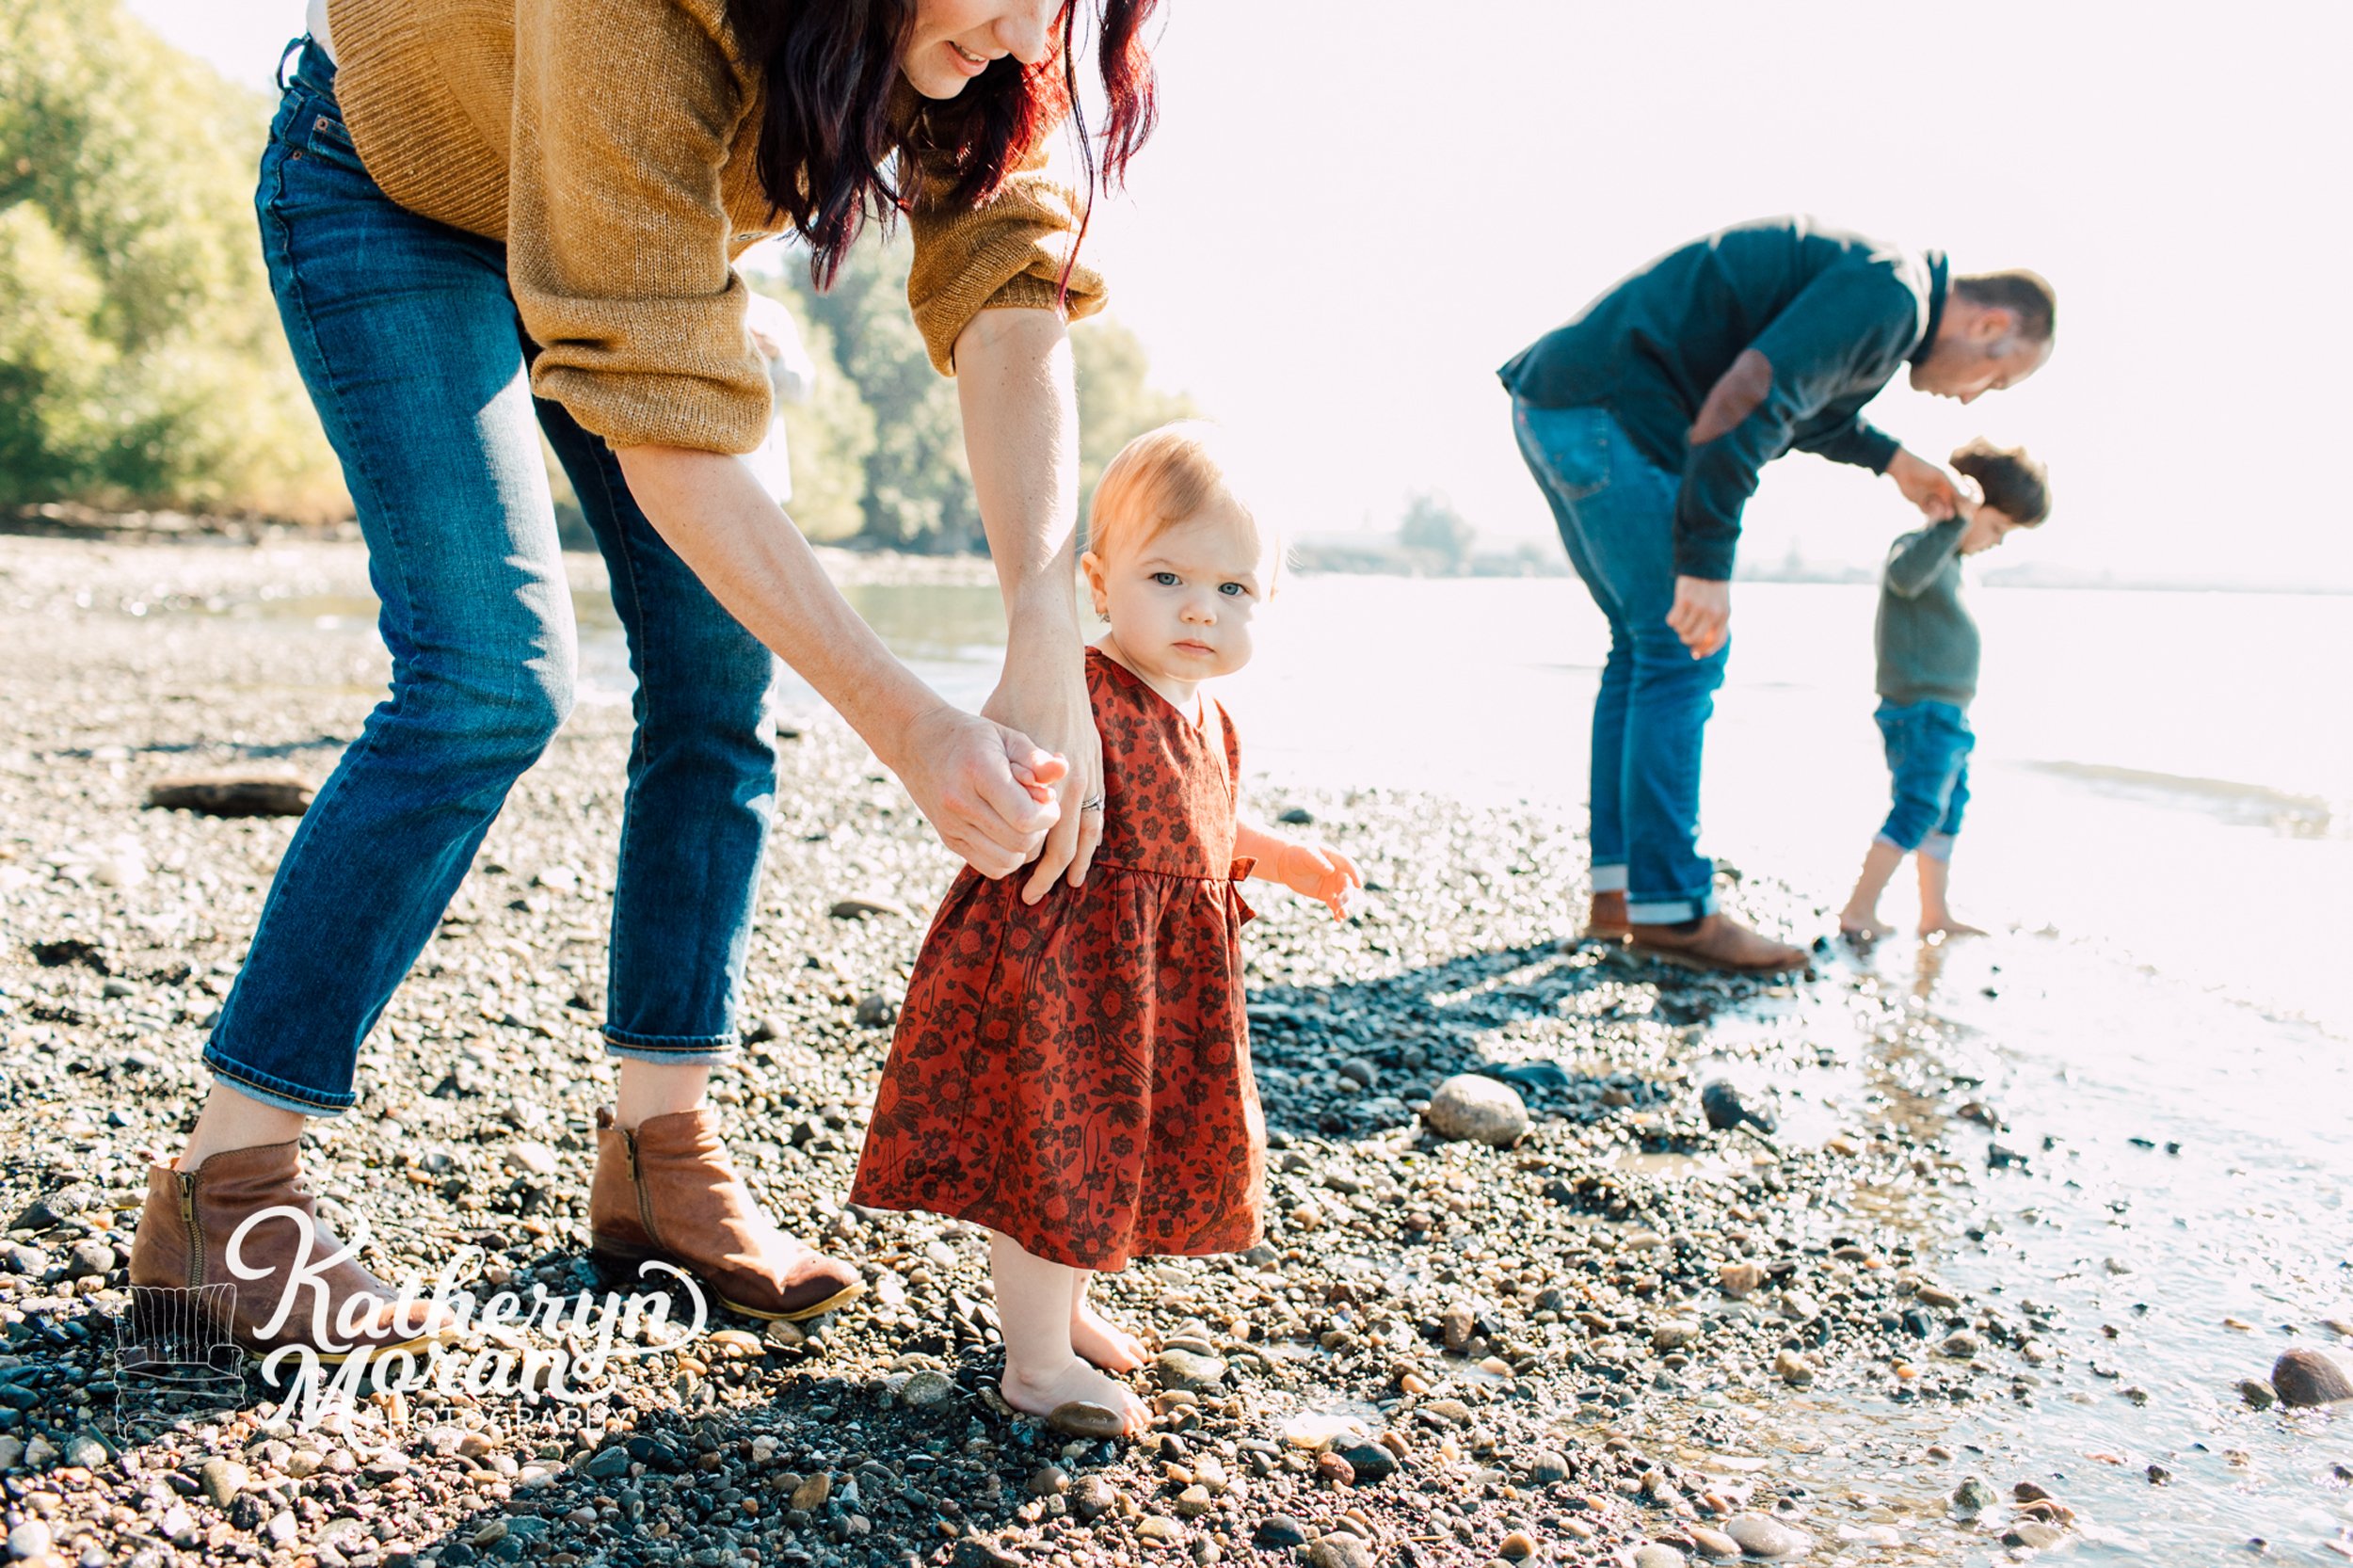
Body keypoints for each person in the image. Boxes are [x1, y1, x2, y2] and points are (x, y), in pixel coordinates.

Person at [128, 0, 1163, 1363]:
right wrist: (911, 727)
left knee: (720, 673)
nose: (1036, 36)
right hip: (396, 191)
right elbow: (651, 383)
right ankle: (226, 1201)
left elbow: (1006, 278)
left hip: (628, 235)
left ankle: (660, 1150)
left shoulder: (981, 42)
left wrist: (1042, 635)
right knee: (486, 677)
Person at [847, 424, 1363, 1438]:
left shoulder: (1211, 718)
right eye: (1166, 575)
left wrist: (1282, 858)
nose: (1199, 608)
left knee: (1105, 1159)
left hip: (1152, 993)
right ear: (1096, 579)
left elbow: (1200, 830)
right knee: (1055, 1160)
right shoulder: (1079, 692)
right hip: (1067, 980)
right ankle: (1034, 1362)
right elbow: (1028, 779)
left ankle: (1067, 1309)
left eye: (1233, 589)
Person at [1499, 216, 2056, 972]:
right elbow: (1752, 396)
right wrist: (1705, 559)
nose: (1977, 397)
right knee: (1683, 647)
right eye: (1998, 374)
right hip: (1609, 412)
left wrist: (1894, 460)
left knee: (1644, 652)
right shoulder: (1892, 297)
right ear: (1990, 322)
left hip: (1565, 402)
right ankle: (1674, 910)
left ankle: (1622, 898)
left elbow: (1803, 407)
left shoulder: (1886, 295)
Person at [1839, 440, 2051, 942]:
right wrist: (1953, 521)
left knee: (1946, 810)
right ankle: (1859, 909)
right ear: (1967, 505)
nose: (1997, 542)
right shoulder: (1921, 548)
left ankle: (1935, 912)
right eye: (1997, 528)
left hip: (1948, 713)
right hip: (1920, 710)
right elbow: (1903, 576)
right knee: (1916, 806)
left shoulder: (1950, 561)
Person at [740, 291, 818, 504]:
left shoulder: (771, 313)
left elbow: (802, 387)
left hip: (763, 472)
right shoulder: (698, 303)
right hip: (706, 472)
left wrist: (776, 354)